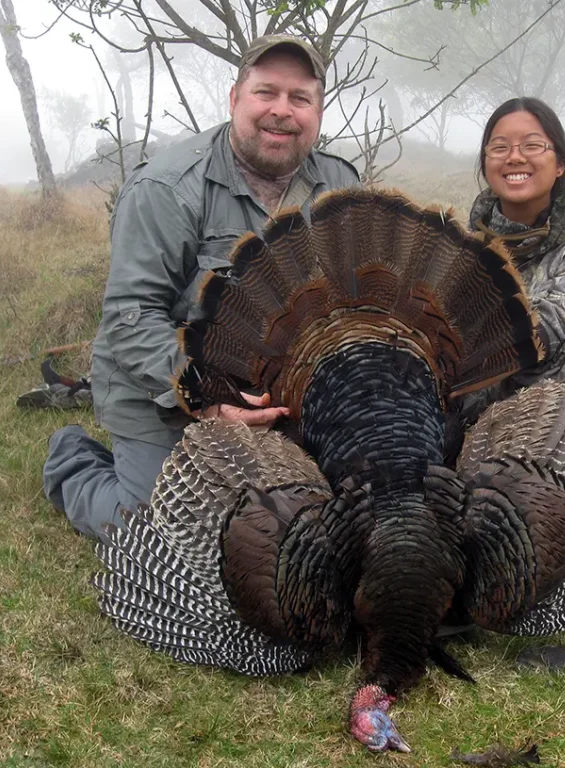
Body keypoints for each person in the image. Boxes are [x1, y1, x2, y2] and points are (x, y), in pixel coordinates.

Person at [42, 35, 361, 539]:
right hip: (162, 389)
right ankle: (71, 460)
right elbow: (131, 317)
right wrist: (207, 399)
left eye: (300, 98)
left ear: (318, 112)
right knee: (169, 534)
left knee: (341, 506)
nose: (282, 111)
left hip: (277, 388)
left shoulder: (339, 185)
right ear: (235, 99)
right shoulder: (166, 187)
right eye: (266, 93)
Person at [460, 96, 565, 423]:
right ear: (486, 162)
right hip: (463, 417)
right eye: (499, 147)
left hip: (549, 423)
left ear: (559, 163)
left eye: (532, 145)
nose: (515, 157)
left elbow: (562, 346)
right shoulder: (464, 243)